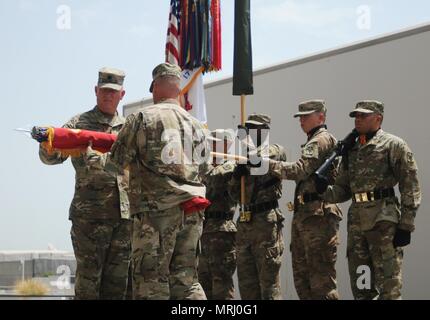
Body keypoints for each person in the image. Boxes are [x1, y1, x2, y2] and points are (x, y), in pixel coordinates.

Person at [108, 62, 211, 300]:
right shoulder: (197, 126)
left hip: (155, 213)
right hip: (192, 210)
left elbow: (115, 163)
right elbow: (205, 168)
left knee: (151, 279)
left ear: (155, 86)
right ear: (178, 89)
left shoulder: (142, 117)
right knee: (186, 280)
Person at [38, 68, 132, 300]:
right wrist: (46, 143)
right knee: (89, 285)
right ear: (96, 91)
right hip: (90, 218)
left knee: (117, 287)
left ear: (122, 95)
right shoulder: (79, 123)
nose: (108, 95)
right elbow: (52, 158)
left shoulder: (130, 127)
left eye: (114, 92)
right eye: (104, 91)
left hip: (125, 218)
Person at [322, 100, 421, 300]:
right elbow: (343, 190)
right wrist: (323, 190)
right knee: (362, 284)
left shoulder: (393, 145)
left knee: (389, 285)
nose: (358, 120)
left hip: (383, 222)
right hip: (357, 223)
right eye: (356, 116)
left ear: (378, 118)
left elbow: (410, 185)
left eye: (363, 116)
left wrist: (406, 225)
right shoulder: (351, 149)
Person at [267, 100, 342, 300]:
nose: (301, 121)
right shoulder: (312, 140)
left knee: (321, 282)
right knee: (303, 282)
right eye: (300, 117)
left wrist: (268, 165)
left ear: (321, 117)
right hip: (306, 215)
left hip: (318, 216)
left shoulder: (321, 140)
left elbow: (301, 170)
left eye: (306, 116)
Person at [229, 114, 286, 300]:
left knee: (268, 286)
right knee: (247, 285)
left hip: (266, 223)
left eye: (254, 129)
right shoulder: (244, 158)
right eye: (248, 129)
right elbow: (234, 195)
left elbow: (260, 160)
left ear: (265, 130)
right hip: (245, 223)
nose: (251, 133)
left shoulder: (275, 150)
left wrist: (247, 148)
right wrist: (236, 176)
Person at [198, 129, 238, 300]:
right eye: (210, 142)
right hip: (205, 231)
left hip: (222, 232)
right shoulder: (210, 165)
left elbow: (212, 177)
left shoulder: (231, 165)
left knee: (221, 286)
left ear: (226, 145)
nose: (211, 145)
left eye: (215, 142)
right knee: (203, 284)